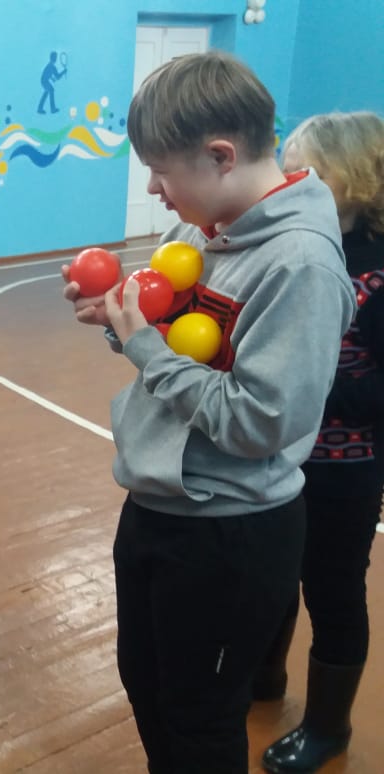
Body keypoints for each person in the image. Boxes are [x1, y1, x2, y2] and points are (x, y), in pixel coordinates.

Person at [62, 52, 356, 773]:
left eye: (161, 172)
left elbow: (261, 423)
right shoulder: (201, 230)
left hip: (230, 533)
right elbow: (173, 347)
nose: (153, 190)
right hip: (157, 503)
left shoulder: (301, 265)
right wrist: (122, 321)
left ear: (221, 156)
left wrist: (143, 348)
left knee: (199, 722)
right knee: (149, 688)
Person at [258, 111, 384, 774]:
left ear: (355, 179)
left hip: (345, 470)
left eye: (305, 172)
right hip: (282, 457)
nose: (288, 183)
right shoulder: (301, 249)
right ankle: (264, 676)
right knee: (275, 571)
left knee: (333, 590)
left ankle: (328, 727)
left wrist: (306, 379)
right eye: (285, 170)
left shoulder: (376, 275)